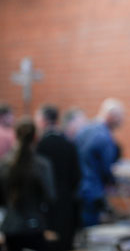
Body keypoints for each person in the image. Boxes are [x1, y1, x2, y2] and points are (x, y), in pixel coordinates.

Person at [0, 117, 55, 251]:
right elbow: (50, 196)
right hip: (34, 223)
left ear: (16, 136)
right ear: (35, 137)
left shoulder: (4, 164)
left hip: (11, 225)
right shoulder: (41, 165)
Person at [35, 104, 81, 251]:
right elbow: (77, 175)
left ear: (44, 120)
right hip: (66, 201)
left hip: (47, 204)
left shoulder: (41, 146)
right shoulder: (69, 144)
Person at [75, 98, 124, 227]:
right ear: (111, 116)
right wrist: (113, 183)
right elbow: (106, 168)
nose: (121, 122)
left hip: (77, 187)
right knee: (91, 229)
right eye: (119, 118)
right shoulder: (105, 138)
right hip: (92, 190)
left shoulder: (84, 130)